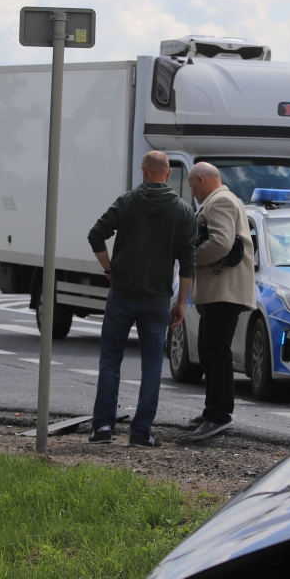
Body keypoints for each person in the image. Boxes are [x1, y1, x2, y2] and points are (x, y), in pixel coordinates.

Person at [86, 150, 198, 447]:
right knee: (151, 366)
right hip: (158, 300)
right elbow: (188, 262)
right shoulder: (183, 211)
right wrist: (181, 302)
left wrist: (109, 269)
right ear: (169, 173)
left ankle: (103, 428)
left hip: (122, 294)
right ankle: (141, 432)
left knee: (111, 360)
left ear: (144, 172)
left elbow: (96, 235)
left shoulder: (127, 201)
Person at [186, 162, 256, 441]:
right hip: (220, 291)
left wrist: (192, 259)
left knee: (215, 352)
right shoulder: (222, 200)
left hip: (224, 291)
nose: (192, 191)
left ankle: (219, 415)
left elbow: (221, 243)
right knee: (209, 350)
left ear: (201, 180)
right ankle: (212, 410)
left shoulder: (221, 201)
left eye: (192, 186)